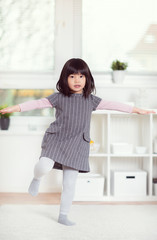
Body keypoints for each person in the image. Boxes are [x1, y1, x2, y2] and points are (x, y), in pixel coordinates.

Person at [0, 58, 155, 226]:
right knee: (44, 165)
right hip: (57, 139)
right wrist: (15, 108)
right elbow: (37, 103)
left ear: (87, 79)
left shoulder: (91, 100)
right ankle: (36, 179)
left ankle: (63, 215)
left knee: (69, 182)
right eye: (72, 76)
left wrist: (136, 109)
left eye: (81, 76)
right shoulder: (58, 98)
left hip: (77, 144)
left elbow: (113, 104)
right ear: (65, 79)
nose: (77, 80)